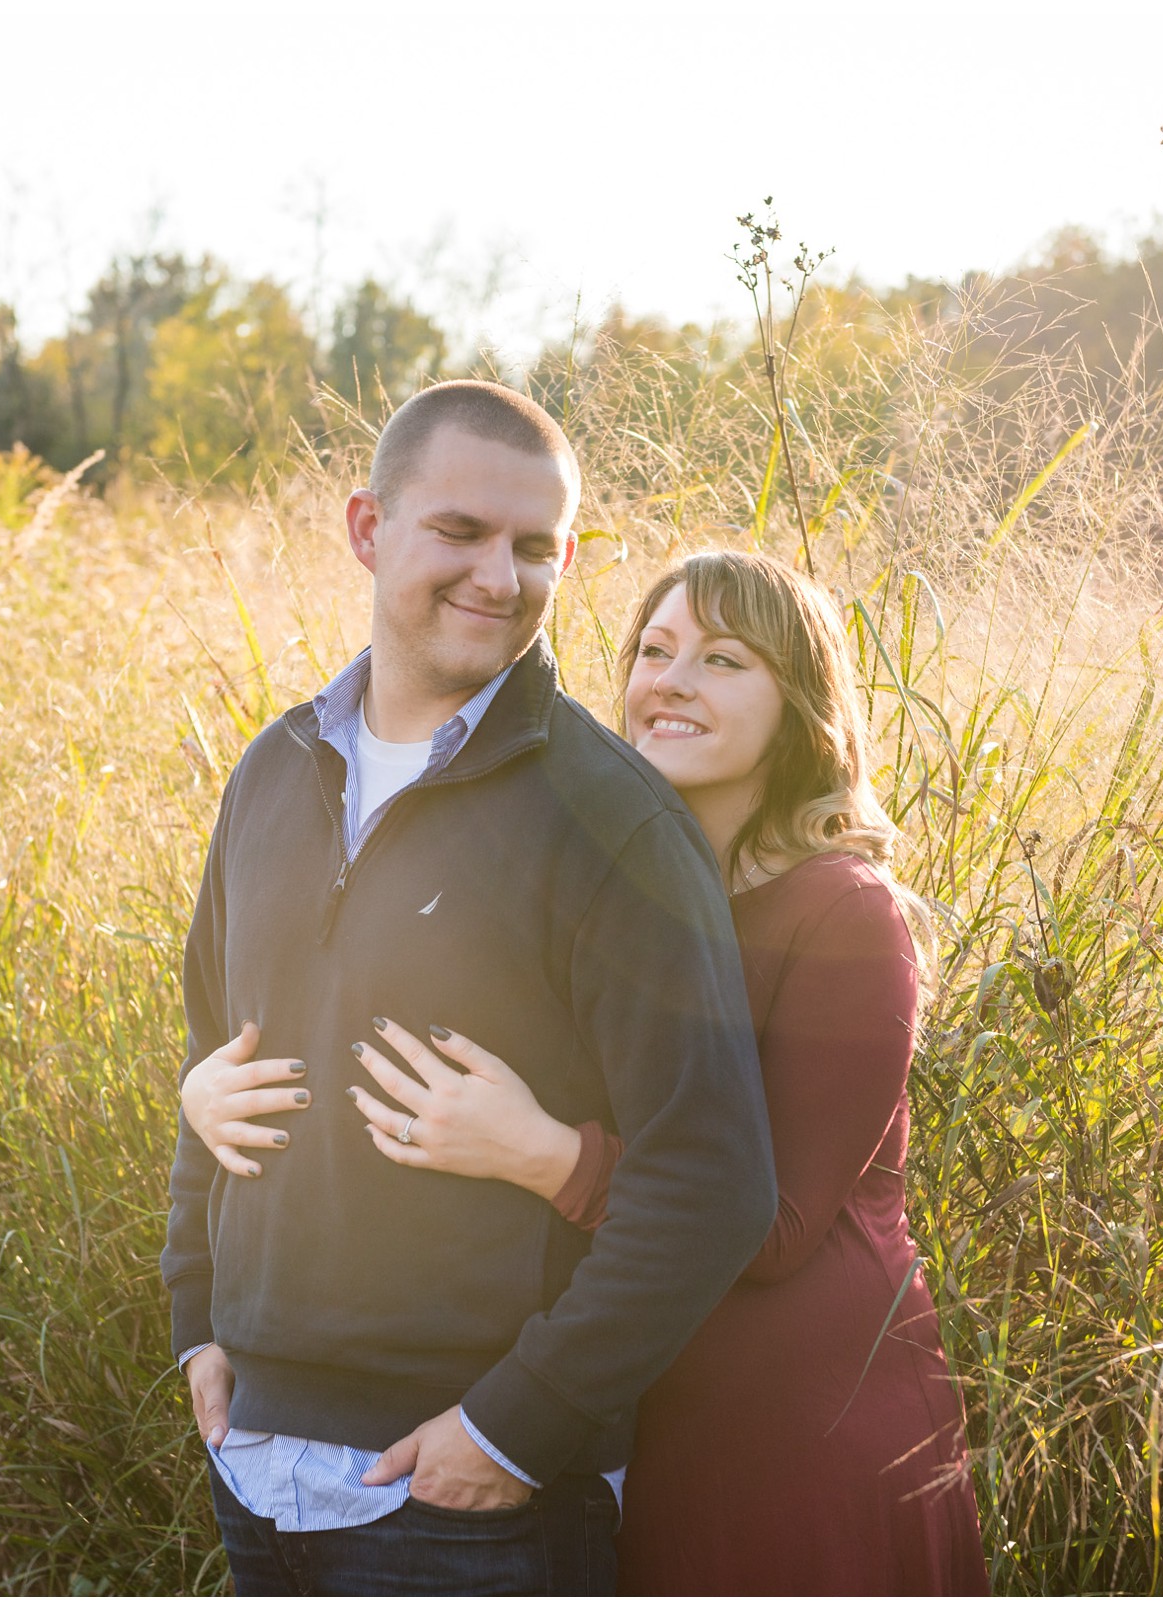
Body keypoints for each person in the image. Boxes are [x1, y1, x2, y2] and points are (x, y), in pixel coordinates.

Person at [185, 550, 994, 1595]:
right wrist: (204, 1092)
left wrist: (550, 1156)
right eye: (654, 650)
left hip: (791, 1412)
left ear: (799, 707)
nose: (672, 680)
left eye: (723, 659)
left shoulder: (843, 912)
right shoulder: (606, 868)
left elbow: (776, 1220)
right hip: (630, 1393)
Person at [160, 381, 778, 1596]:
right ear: (367, 528)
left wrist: (516, 1425)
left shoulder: (609, 820)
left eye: (536, 547)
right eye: (462, 532)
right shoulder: (271, 775)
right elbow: (208, 1071)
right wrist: (197, 1319)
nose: (501, 576)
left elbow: (714, 1180)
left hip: (472, 1508)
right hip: (257, 1464)